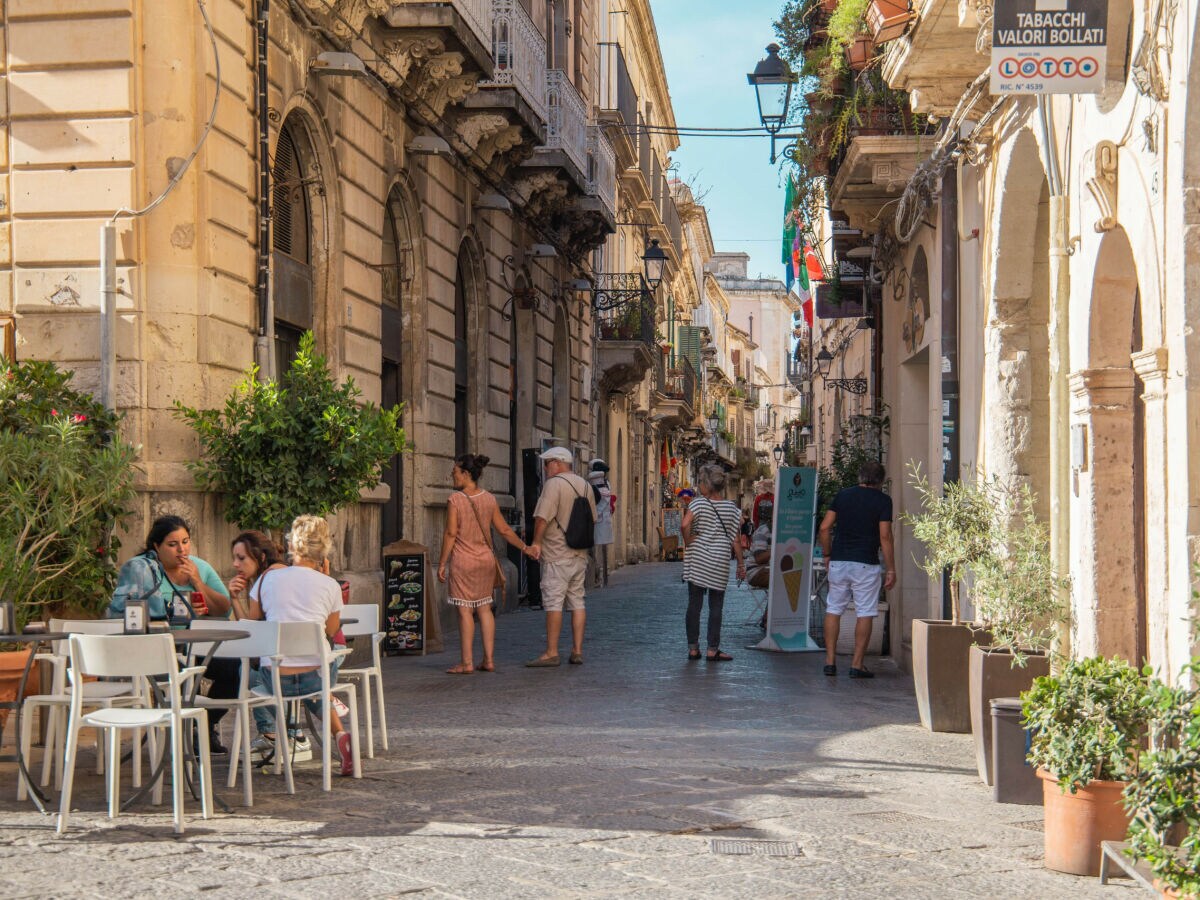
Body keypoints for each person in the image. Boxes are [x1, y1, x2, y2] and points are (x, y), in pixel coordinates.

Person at [108, 515, 236, 752]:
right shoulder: (144, 571)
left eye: (185, 542)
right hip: (158, 648)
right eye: (173, 544)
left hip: (196, 646)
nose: (182, 550)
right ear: (156, 546)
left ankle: (205, 725)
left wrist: (197, 581)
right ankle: (185, 734)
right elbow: (133, 612)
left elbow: (224, 608)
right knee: (183, 677)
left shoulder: (200, 567)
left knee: (233, 670)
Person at [241, 515, 355, 775]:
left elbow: (253, 623)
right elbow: (331, 630)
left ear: (291, 546)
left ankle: (281, 732)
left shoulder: (266, 580)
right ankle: (337, 732)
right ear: (324, 550)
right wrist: (325, 582)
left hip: (275, 678)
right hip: (316, 676)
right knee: (319, 678)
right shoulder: (330, 586)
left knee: (249, 675)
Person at [436, 453, 537, 674]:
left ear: (465, 474)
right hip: (485, 560)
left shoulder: (456, 500)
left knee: (464, 611)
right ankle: (489, 659)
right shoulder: (489, 499)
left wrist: (442, 562)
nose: (452, 475)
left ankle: (466, 662)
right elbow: (504, 530)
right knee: (484, 608)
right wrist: (525, 548)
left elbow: (451, 533)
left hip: (463, 561)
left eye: (455, 472)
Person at [817, 460, 895, 679]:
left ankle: (830, 662)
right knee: (865, 612)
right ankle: (856, 665)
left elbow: (824, 528)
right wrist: (891, 569)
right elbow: (885, 536)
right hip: (865, 563)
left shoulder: (843, 495)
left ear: (860, 477)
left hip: (839, 561)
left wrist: (827, 554)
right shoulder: (883, 501)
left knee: (834, 608)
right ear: (880, 480)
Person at [526, 446, 595, 667]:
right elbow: (593, 519)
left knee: (554, 602)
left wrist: (536, 542)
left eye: (547, 464)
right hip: (580, 554)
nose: (546, 469)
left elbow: (542, 518)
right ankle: (577, 650)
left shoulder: (553, 485)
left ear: (557, 463)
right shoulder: (585, 485)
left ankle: (551, 652)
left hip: (557, 553)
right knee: (577, 601)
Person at [681, 464, 746, 661]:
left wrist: (688, 540)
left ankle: (693, 648)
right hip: (720, 560)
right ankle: (712, 649)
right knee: (716, 606)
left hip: (698, 558)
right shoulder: (731, 508)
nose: (699, 485)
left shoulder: (698, 504)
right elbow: (735, 539)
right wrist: (741, 565)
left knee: (694, 604)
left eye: (701, 482)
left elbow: (685, 524)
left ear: (707, 485)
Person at [227, 530, 287, 619]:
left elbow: (251, 630)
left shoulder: (265, 579)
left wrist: (234, 599)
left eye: (241, 558)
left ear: (262, 557)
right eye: (234, 558)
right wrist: (234, 598)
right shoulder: (284, 570)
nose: (235, 564)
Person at [587, 459, 615, 588]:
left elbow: (600, 502)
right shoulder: (603, 484)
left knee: (597, 547)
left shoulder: (596, 485)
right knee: (598, 547)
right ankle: (599, 575)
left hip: (598, 520)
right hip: (602, 520)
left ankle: (599, 575)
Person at [747, 500, 774, 590]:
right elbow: (759, 559)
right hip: (756, 571)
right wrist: (778, 549)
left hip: (767, 569)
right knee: (783, 577)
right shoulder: (763, 531)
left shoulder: (772, 531)